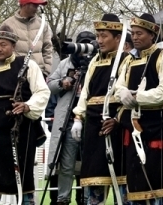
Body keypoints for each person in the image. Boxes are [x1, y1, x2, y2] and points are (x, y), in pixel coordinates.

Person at [0, 25, 50, 205]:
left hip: (20, 130)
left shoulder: (28, 65)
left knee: (23, 178)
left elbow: (42, 92)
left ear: (13, 46)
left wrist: (27, 106)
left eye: (3, 45)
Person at [115, 13, 163, 205]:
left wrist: (137, 98)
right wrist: (123, 94)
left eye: (139, 33)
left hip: (159, 128)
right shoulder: (128, 61)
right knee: (138, 185)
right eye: (133, 33)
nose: (135, 37)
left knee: (161, 183)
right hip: (136, 130)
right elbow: (118, 87)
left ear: (152, 35)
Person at [72, 14, 128, 205]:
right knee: (95, 178)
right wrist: (78, 117)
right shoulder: (95, 60)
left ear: (117, 38)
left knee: (122, 178)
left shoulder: (127, 60)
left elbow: (125, 94)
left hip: (116, 124)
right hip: (94, 124)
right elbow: (85, 91)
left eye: (104, 36)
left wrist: (118, 119)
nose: (100, 41)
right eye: (98, 36)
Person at [47, 32, 97, 205]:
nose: (84, 50)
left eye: (88, 45)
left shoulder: (98, 62)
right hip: (68, 119)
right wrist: (63, 83)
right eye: (81, 45)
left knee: (89, 163)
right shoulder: (65, 63)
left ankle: (87, 198)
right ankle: (63, 198)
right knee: (67, 164)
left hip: (91, 120)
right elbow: (50, 84)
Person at [1, 0, 54, 75]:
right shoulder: (8, 24)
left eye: (37, 5)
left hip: (38, 73)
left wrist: (46, 71)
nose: (37, 8)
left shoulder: (43, 25)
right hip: (14, 73)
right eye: (34, 5)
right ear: (24, 5)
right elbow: (2, 49)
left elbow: (48, 48)